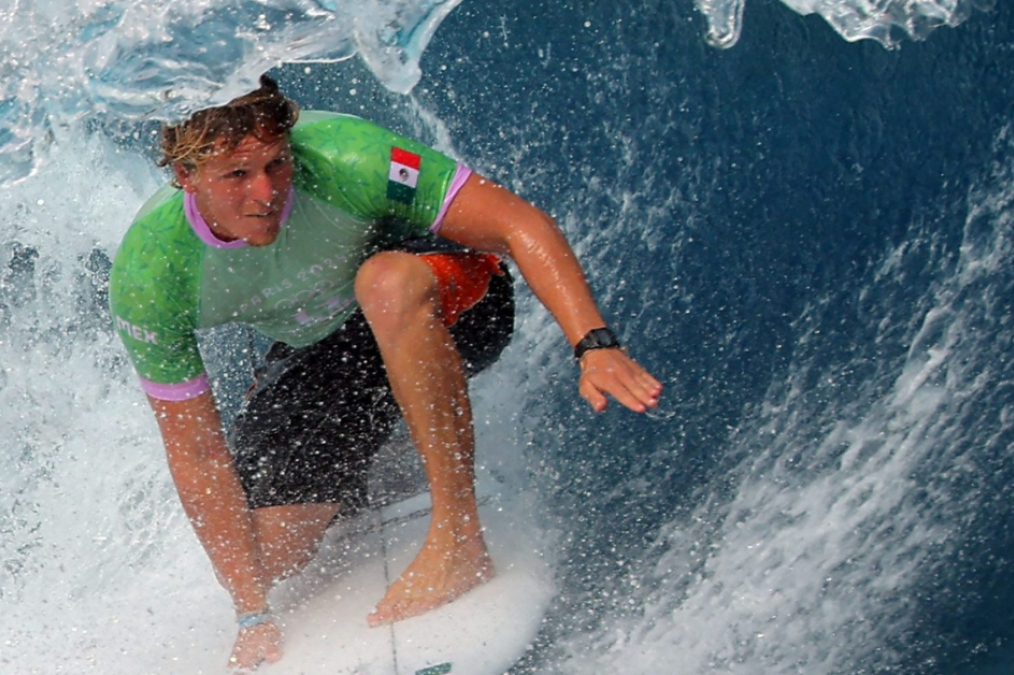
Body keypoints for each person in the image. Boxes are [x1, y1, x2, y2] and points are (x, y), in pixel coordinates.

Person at [108, 75, 661, 670]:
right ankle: (359, 471)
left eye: (276, 164)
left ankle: (458, 540)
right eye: (237, 176)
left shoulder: (349, 154)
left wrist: (594, 344)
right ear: (186, 176)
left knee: (386, 284)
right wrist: (252, 611)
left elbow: (517, 224)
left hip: (449, 296)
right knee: (266, 558)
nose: (265, 191)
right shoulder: (151, 273)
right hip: (327, 347)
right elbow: (195, 452)